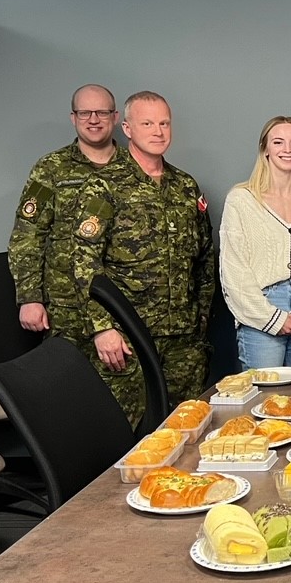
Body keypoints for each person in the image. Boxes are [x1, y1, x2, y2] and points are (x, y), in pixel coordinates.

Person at [70, 91, 215, 423]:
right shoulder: (103, 186)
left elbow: (205, 260)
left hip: (183, 340)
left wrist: (201, 321)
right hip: (126, 338)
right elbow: (84, 261)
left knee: (186, 433)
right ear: (127, 128)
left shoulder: (185, 187)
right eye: (147, 123)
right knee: (126, 438)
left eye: (164, 123)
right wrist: (102, 327)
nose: (158, 131)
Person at [8, 84, 129, 339]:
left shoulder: (134, 168)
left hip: (124, 305)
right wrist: (30, 297)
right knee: (67, 378)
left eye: (102, 112)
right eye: (85, 113)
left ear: (115, 117)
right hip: (65, 307)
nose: (93, 120)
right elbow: (27, 235)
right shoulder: (51, 168)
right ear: (73, 118)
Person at [220, 116, 291, 370]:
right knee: (264, 398)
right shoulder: (242, 200)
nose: (287, 149)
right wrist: (272, 318)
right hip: (261, 309)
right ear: (265, 150)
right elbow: (234, 271)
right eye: (278, 142)